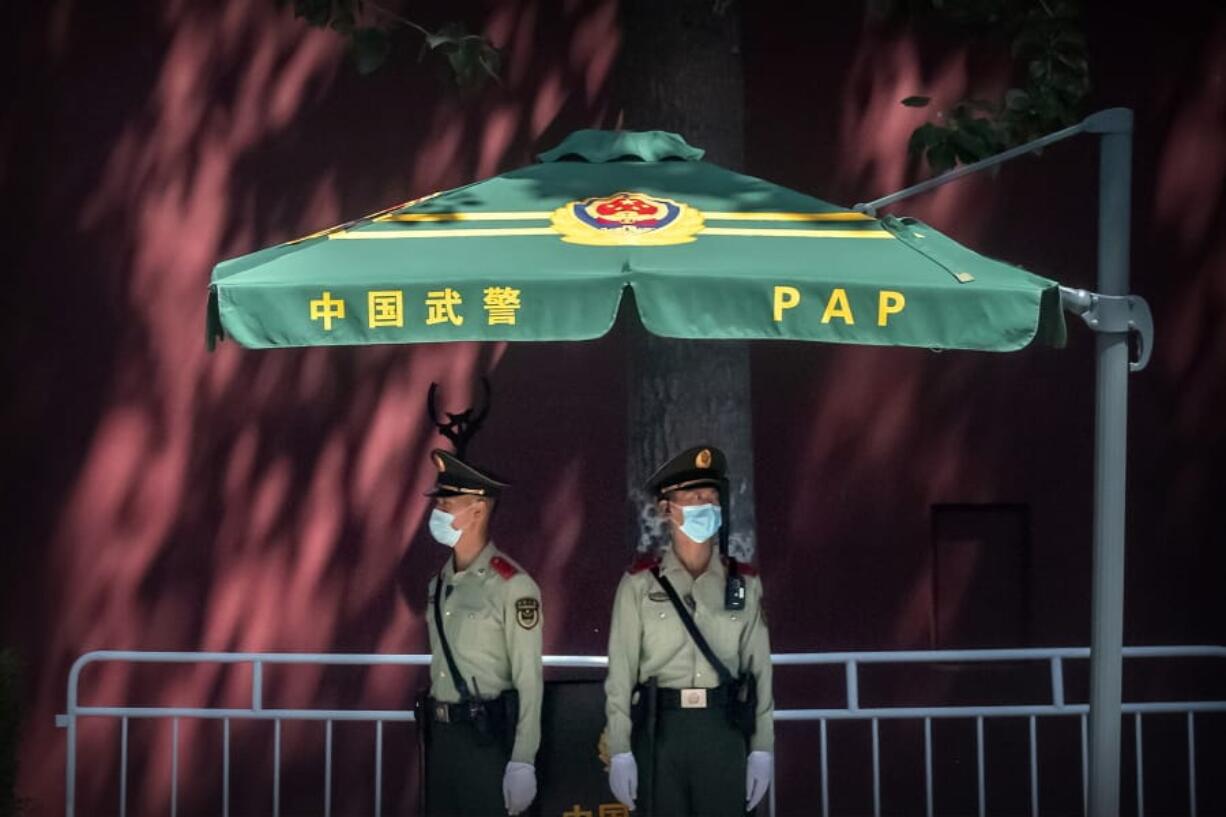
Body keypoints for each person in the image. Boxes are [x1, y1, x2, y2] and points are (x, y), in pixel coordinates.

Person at [603, 445, 774, 816]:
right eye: (694, 497)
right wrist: (620, 750)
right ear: (667, 509)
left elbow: (760, 670)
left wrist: (762, 748)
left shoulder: (741, 583)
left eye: (712, 497)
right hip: (660, 731)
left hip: (722, 729)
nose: (706, 505)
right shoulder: (638, 585)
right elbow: (619, 676)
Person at [420, 448, 543, 817]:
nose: (438, 511)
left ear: (478, 509)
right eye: (438, 502)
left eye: (448, 503)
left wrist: (523, 760)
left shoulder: (512, 586)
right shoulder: (439, 584)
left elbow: (529, 679)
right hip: (442, 739)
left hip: (486, 741)